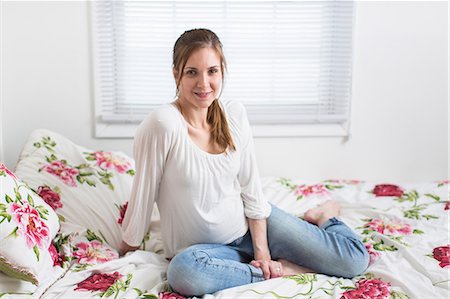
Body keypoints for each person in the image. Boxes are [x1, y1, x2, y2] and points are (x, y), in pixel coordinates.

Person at [120, 28, 369, 297]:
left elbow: (251, 188)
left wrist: (262, 252)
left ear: (222, 72)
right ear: (175, 74)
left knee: (354, 260)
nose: (204, 83)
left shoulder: (234, 114)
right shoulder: (162, 124)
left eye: (212, 71)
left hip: (253, 229)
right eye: (192, 72)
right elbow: (142, 197)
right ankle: (284, 270)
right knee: (183, 272)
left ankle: (323, 216)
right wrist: (124, 252)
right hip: (203, 253)